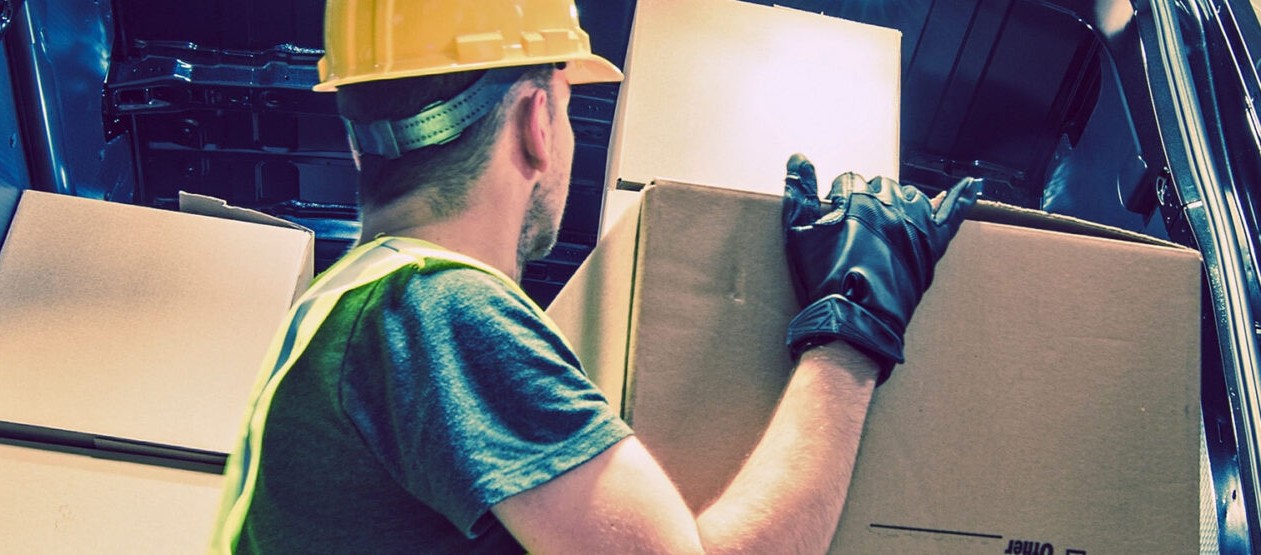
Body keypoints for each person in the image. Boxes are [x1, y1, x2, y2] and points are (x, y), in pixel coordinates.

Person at [211, 1, 983, 553]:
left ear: (357, 140)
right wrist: (854, 328)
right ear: (536, 123)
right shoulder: (435, 310)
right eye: (570, 105)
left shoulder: (342, 310)